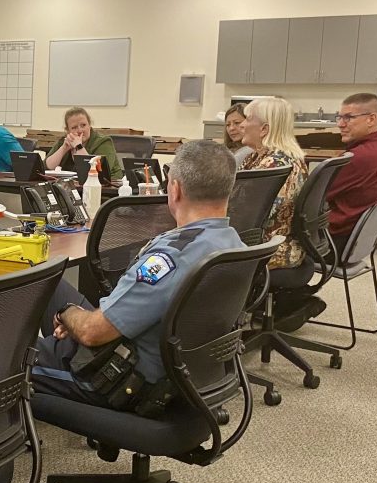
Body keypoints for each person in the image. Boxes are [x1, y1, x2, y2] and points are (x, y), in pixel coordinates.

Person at [30, 140, 243, 408]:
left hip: (118, 378)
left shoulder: (170, 257)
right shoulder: (234, 243)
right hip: (179, 372)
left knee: (2, 363)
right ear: (229, 190)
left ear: (174, 190)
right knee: (48, 282)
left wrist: (66, 314)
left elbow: (91, 333)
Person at [239, 97, 308, 271]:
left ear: (264, 129)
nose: (242, 125)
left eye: (247, 119)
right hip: (272, 242)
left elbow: (246, 215)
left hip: (269, 247)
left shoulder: (273, 164)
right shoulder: (263, 156)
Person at [326, 92, 377, 257]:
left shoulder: (357, 158)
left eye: (349, 118)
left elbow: (312, 197)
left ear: (371, 119)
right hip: (362, 243)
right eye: (340, 117)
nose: (340, 124)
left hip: (336, 242)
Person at [44, 107, 124, 181]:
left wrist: (79, 146)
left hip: (106, 189)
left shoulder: (104, 142)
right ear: (68, 130)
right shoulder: (64, 141)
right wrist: (63, 149)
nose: (80, 130)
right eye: (74, 127)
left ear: (89, 125)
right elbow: (47, 167)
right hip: (75, 188)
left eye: (83, 125)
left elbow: (97, 172)